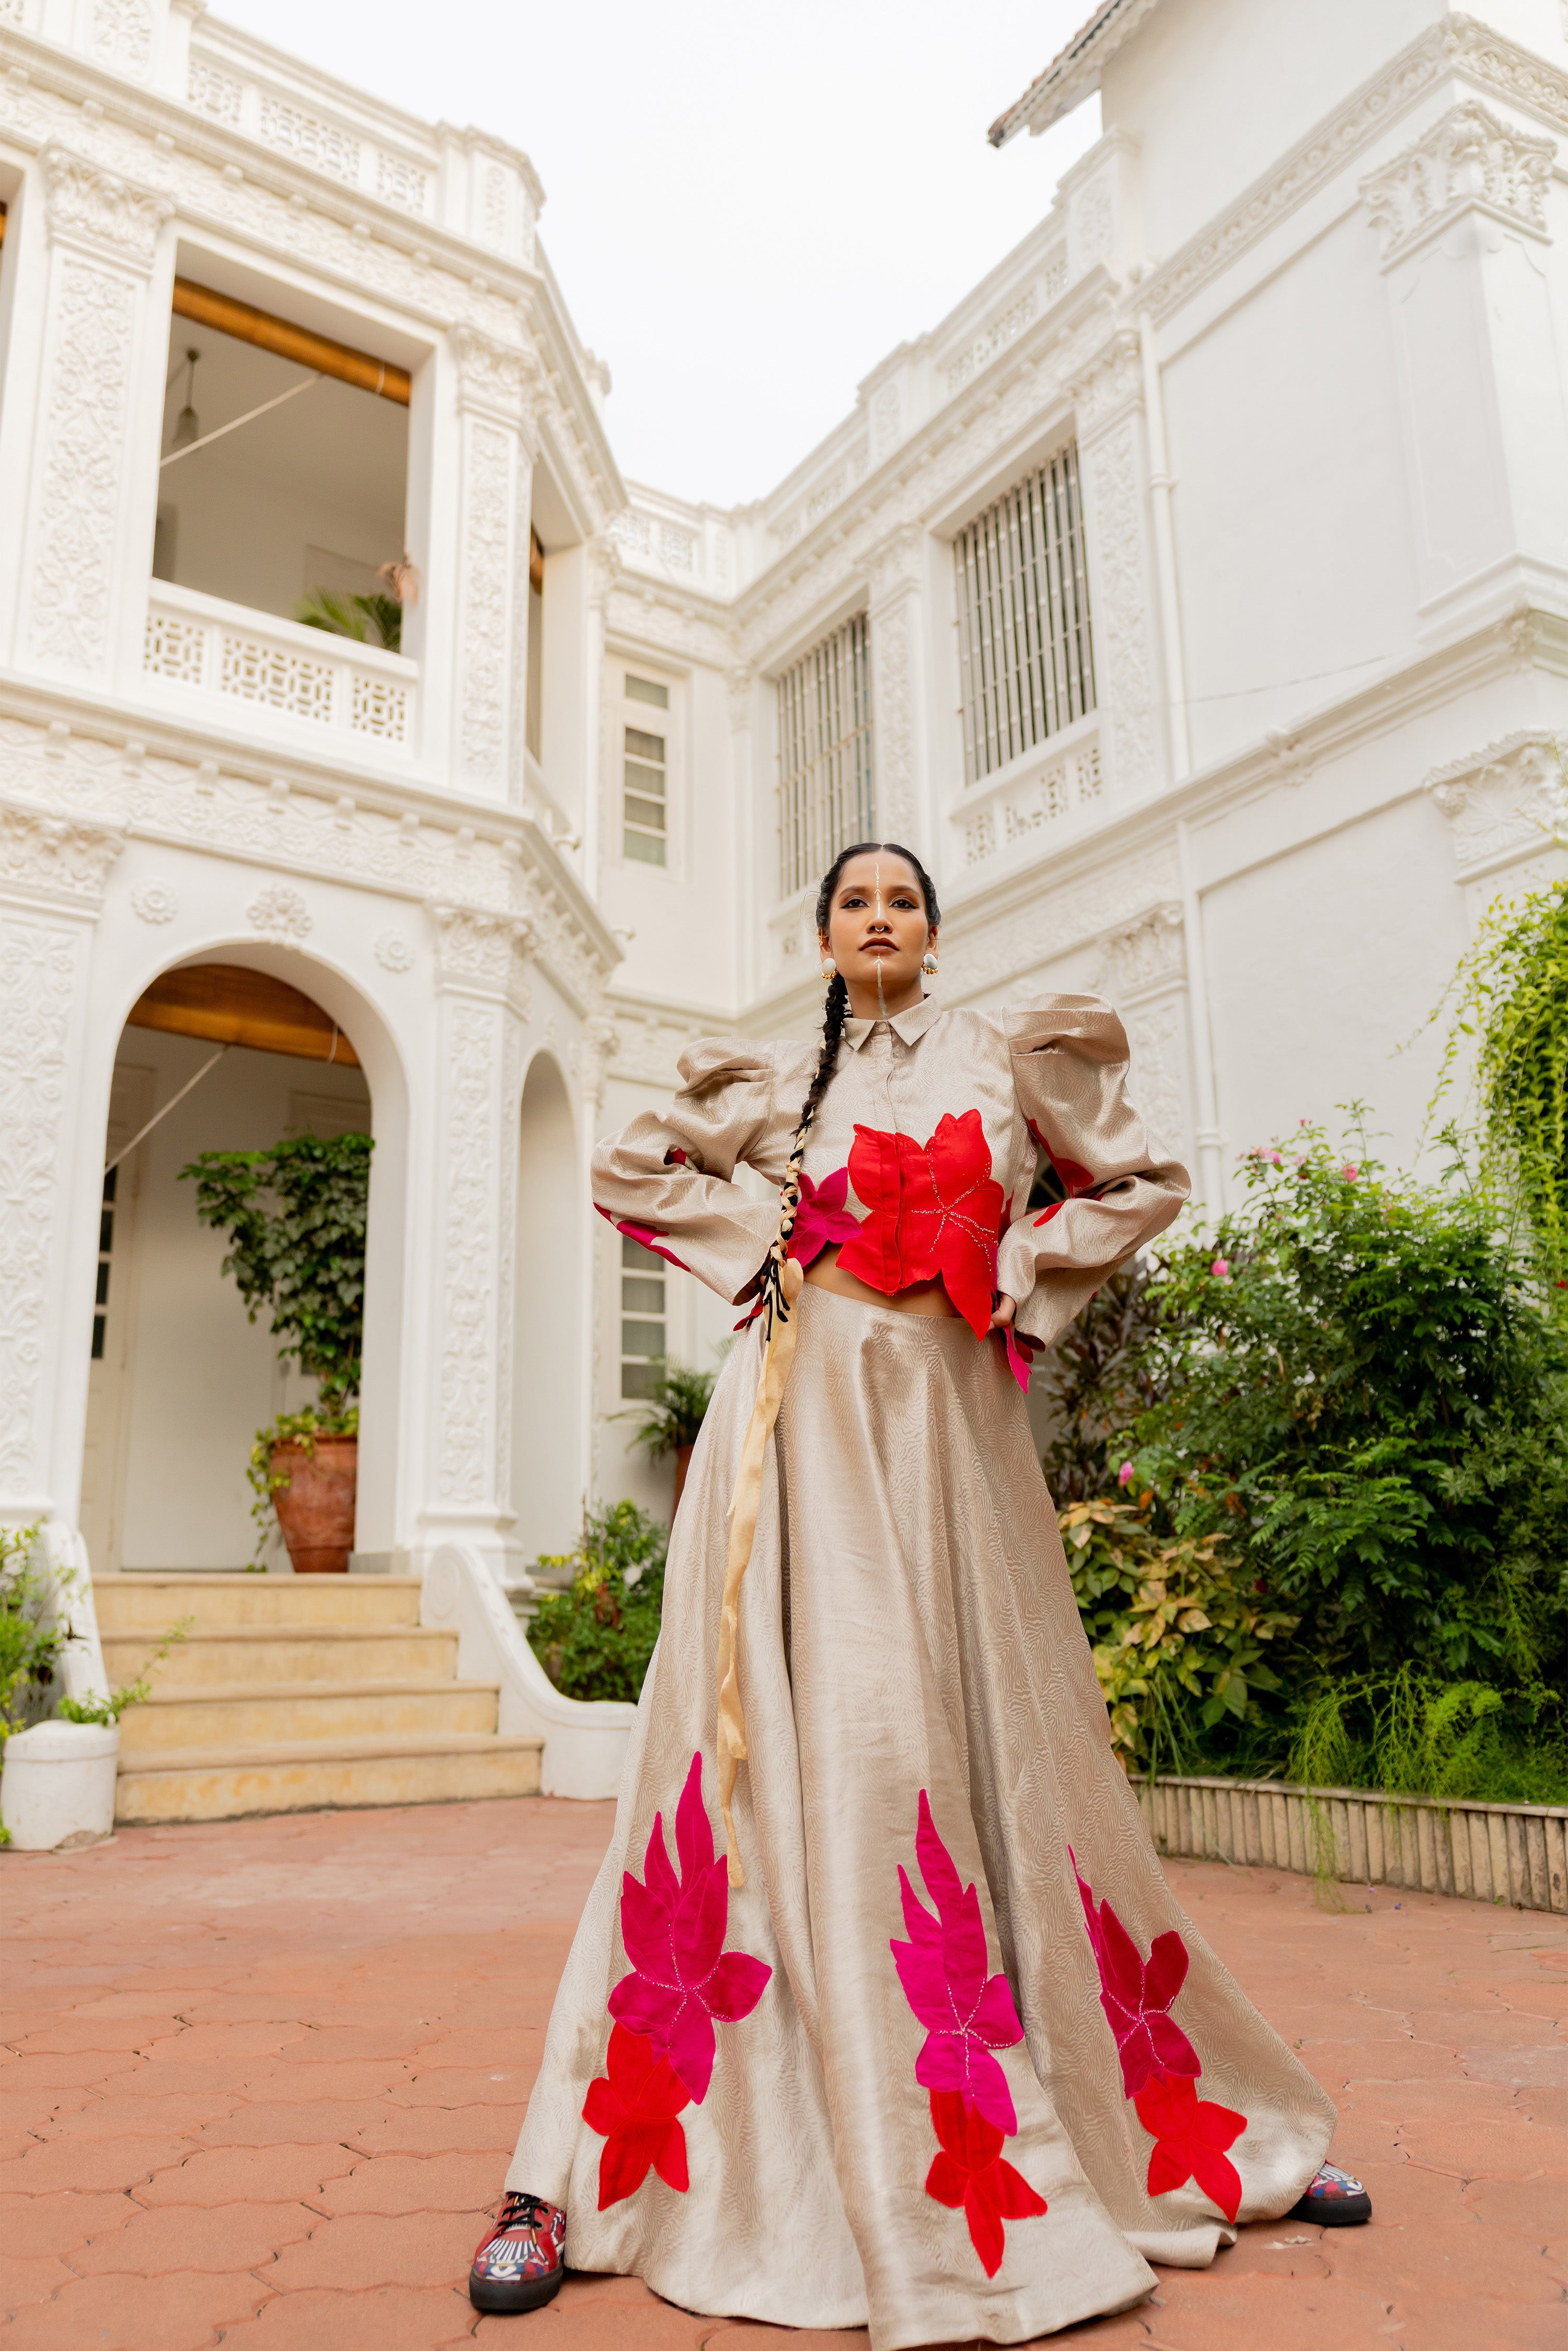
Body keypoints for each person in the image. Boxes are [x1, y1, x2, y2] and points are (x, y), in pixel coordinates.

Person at [469, 842, 1369, 2342]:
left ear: (934, 932)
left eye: (902, 898)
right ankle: (571, 2168)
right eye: (852, 900)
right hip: (795, 1445)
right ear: (824, 934)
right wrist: (772, 1242)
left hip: (955, 1452)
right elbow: (636, 1167)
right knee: (788, 1757)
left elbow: (1141, 1178)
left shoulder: (1009, 1060)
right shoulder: (777, 1085)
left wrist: (1022, 1263)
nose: (878, 915)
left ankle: (1173, 2121)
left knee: (1011, 1755)